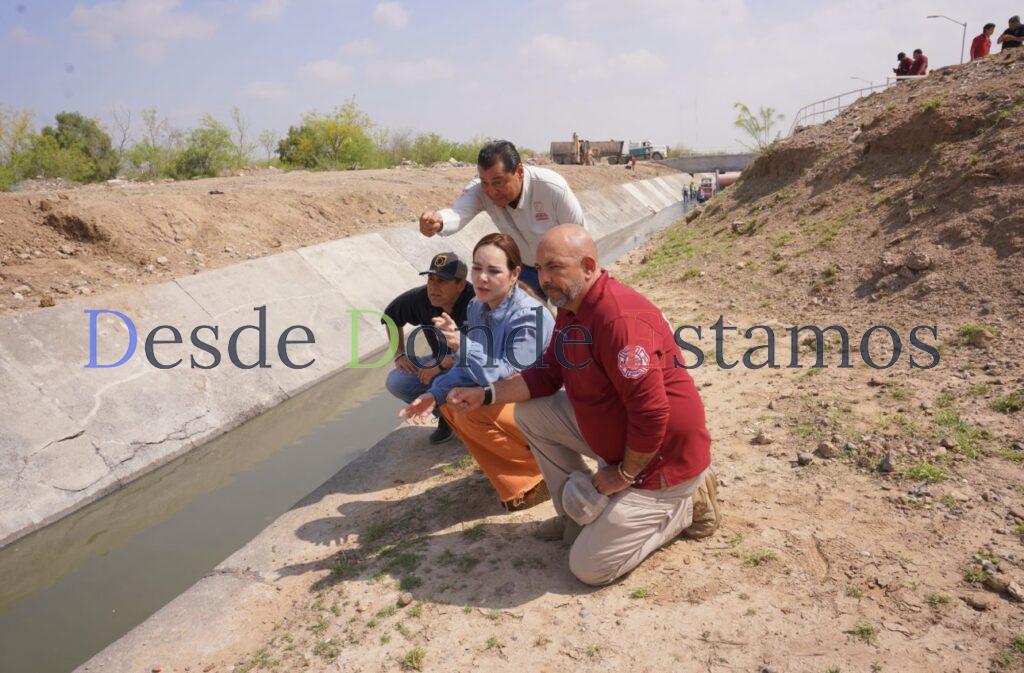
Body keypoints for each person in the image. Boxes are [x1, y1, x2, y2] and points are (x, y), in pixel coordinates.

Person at [447, 224, 718, 586]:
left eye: (555, 267)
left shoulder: (618, 321)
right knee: (531, 414)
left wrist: (622, 475)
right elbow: (548, 375)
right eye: (540, 268)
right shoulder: (572, 307)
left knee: (588, 568)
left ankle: (685, 507)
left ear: (588, 266)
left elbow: (652, 414)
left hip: (660, 462)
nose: (544, 279)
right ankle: (575, 518)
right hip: (622, 442)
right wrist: (486, 394)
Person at [399, 233, 555, 511]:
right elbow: (467, 368)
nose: (482, 278)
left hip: (548, 405)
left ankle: (541, 475)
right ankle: (515, 476)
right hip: (510, 396)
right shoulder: (476, 307)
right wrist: (433, 395)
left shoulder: (529, 316)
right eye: (477, 268)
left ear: (514, 273)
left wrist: (461, 343)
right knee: (450, 402)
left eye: (494, 271)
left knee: (472, 407)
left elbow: (504, 376)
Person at [418, 140, 586, 298]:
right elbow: (459, 212)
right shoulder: (480, 190)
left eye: (498, 182)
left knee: (572, 316)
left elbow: (580, 237)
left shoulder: (551, 188)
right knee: (529, 320)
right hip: (526, 268)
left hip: (561, 267)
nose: (491, 191)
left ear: (519, 172)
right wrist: (438, 221)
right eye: (485, 182)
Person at [382, 252, 475, 444]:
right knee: (397, 381)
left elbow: (487, 354)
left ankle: (474, 421)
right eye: (430, 279)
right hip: (440, 365)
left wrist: (442, 363)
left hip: (475, 370)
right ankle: (446, 417)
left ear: (460, 284)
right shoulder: (421, 298)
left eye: (441, 281)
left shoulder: (477, 302)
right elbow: (390, 317)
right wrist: (399, 354)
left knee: (453, 377)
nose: (433, 287)